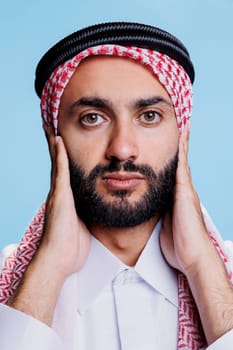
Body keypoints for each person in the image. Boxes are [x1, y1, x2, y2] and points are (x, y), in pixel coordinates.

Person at [0, 22, 232, 350]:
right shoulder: (10, 289)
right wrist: (48, 268)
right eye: (93, 118)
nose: (122, 149)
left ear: (181, 136)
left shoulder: (225, 275)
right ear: (54, 137)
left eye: (149, 116)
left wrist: (201, 266)